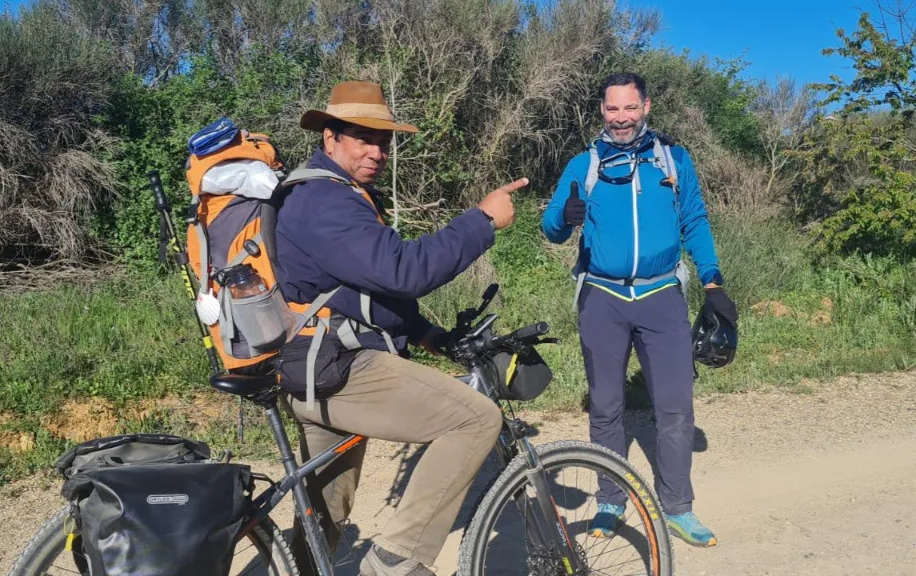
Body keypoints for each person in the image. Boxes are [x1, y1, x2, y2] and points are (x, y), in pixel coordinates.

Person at [274, 80, 528, 575]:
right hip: (339, 367)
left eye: (384, 141)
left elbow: (365, 291)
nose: (377, 151)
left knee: (323, 511)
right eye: (363, 137)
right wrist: (480, 221)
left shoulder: (335, 194)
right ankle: (395, 562)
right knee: (475, 419)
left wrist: (426, 334)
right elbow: (403, 270)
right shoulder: (324, 200)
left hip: (313, 366)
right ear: (331, 138)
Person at [541, 72, 738, 548]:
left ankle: (677, 507)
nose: (622, 118)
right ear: (601, 111)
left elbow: (694, 219)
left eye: (630, 108)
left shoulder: (673, 158)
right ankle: (611, 499)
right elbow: (550, 227)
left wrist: (712, 282)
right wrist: (563, 220)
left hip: (662, 293)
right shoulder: (583, 164)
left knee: (675, 406)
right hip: (602, 297)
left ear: (646, 106)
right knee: (606, 407)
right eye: (613, 109)